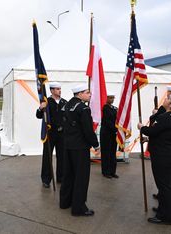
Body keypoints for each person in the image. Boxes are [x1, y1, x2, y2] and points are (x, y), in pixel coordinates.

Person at [138, 91, 171, 225]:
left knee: (165, 186)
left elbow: (152, 130)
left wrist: (142, 128)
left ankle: (166, 216)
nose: (166, 98)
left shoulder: (166, 117)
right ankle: (164, 209)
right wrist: (148, 138)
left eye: (168, 98)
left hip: (164, 156)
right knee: (168, 185)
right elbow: (166, 135)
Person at [60, 85, 99, 216]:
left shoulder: (65, 106)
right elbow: (88, 130)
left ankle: (65, 202)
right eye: (87, 92)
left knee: (68, 174)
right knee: (81, 177)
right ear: (79, 94)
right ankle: (79, 208)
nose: (90, 94)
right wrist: (96, 145)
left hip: (67, 146)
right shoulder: (83, 108)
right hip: (80, 147)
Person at [150, 85, 171, 202]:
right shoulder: (168, 108)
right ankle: (165, 196)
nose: (166, 96)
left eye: (169, 94)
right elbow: (154, 118)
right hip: (170, 144)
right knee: (166, 177)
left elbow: (159, 125)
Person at [36, 82, 67, 188]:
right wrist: (41, 108)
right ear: (52, 90)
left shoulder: (64, 102)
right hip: (50, 133)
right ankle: (46, 179)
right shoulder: (47, 102)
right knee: (47, 156)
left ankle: (61, 177)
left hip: (62, 134)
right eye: (57, 89)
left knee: (62, 156)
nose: (59, 90)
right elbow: (39, 116)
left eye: (60, 89)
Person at [100, 92, 118, 179]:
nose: (112, 100)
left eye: (113, 98)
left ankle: (112, 171)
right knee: (106, 153)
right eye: (110, 98)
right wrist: (115, 129)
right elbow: (107, 121)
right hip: (106, 133)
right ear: (106, 99)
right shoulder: (105, 108)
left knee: (113, 153)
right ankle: (106, 171)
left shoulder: (115, 108)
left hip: (113, 134)